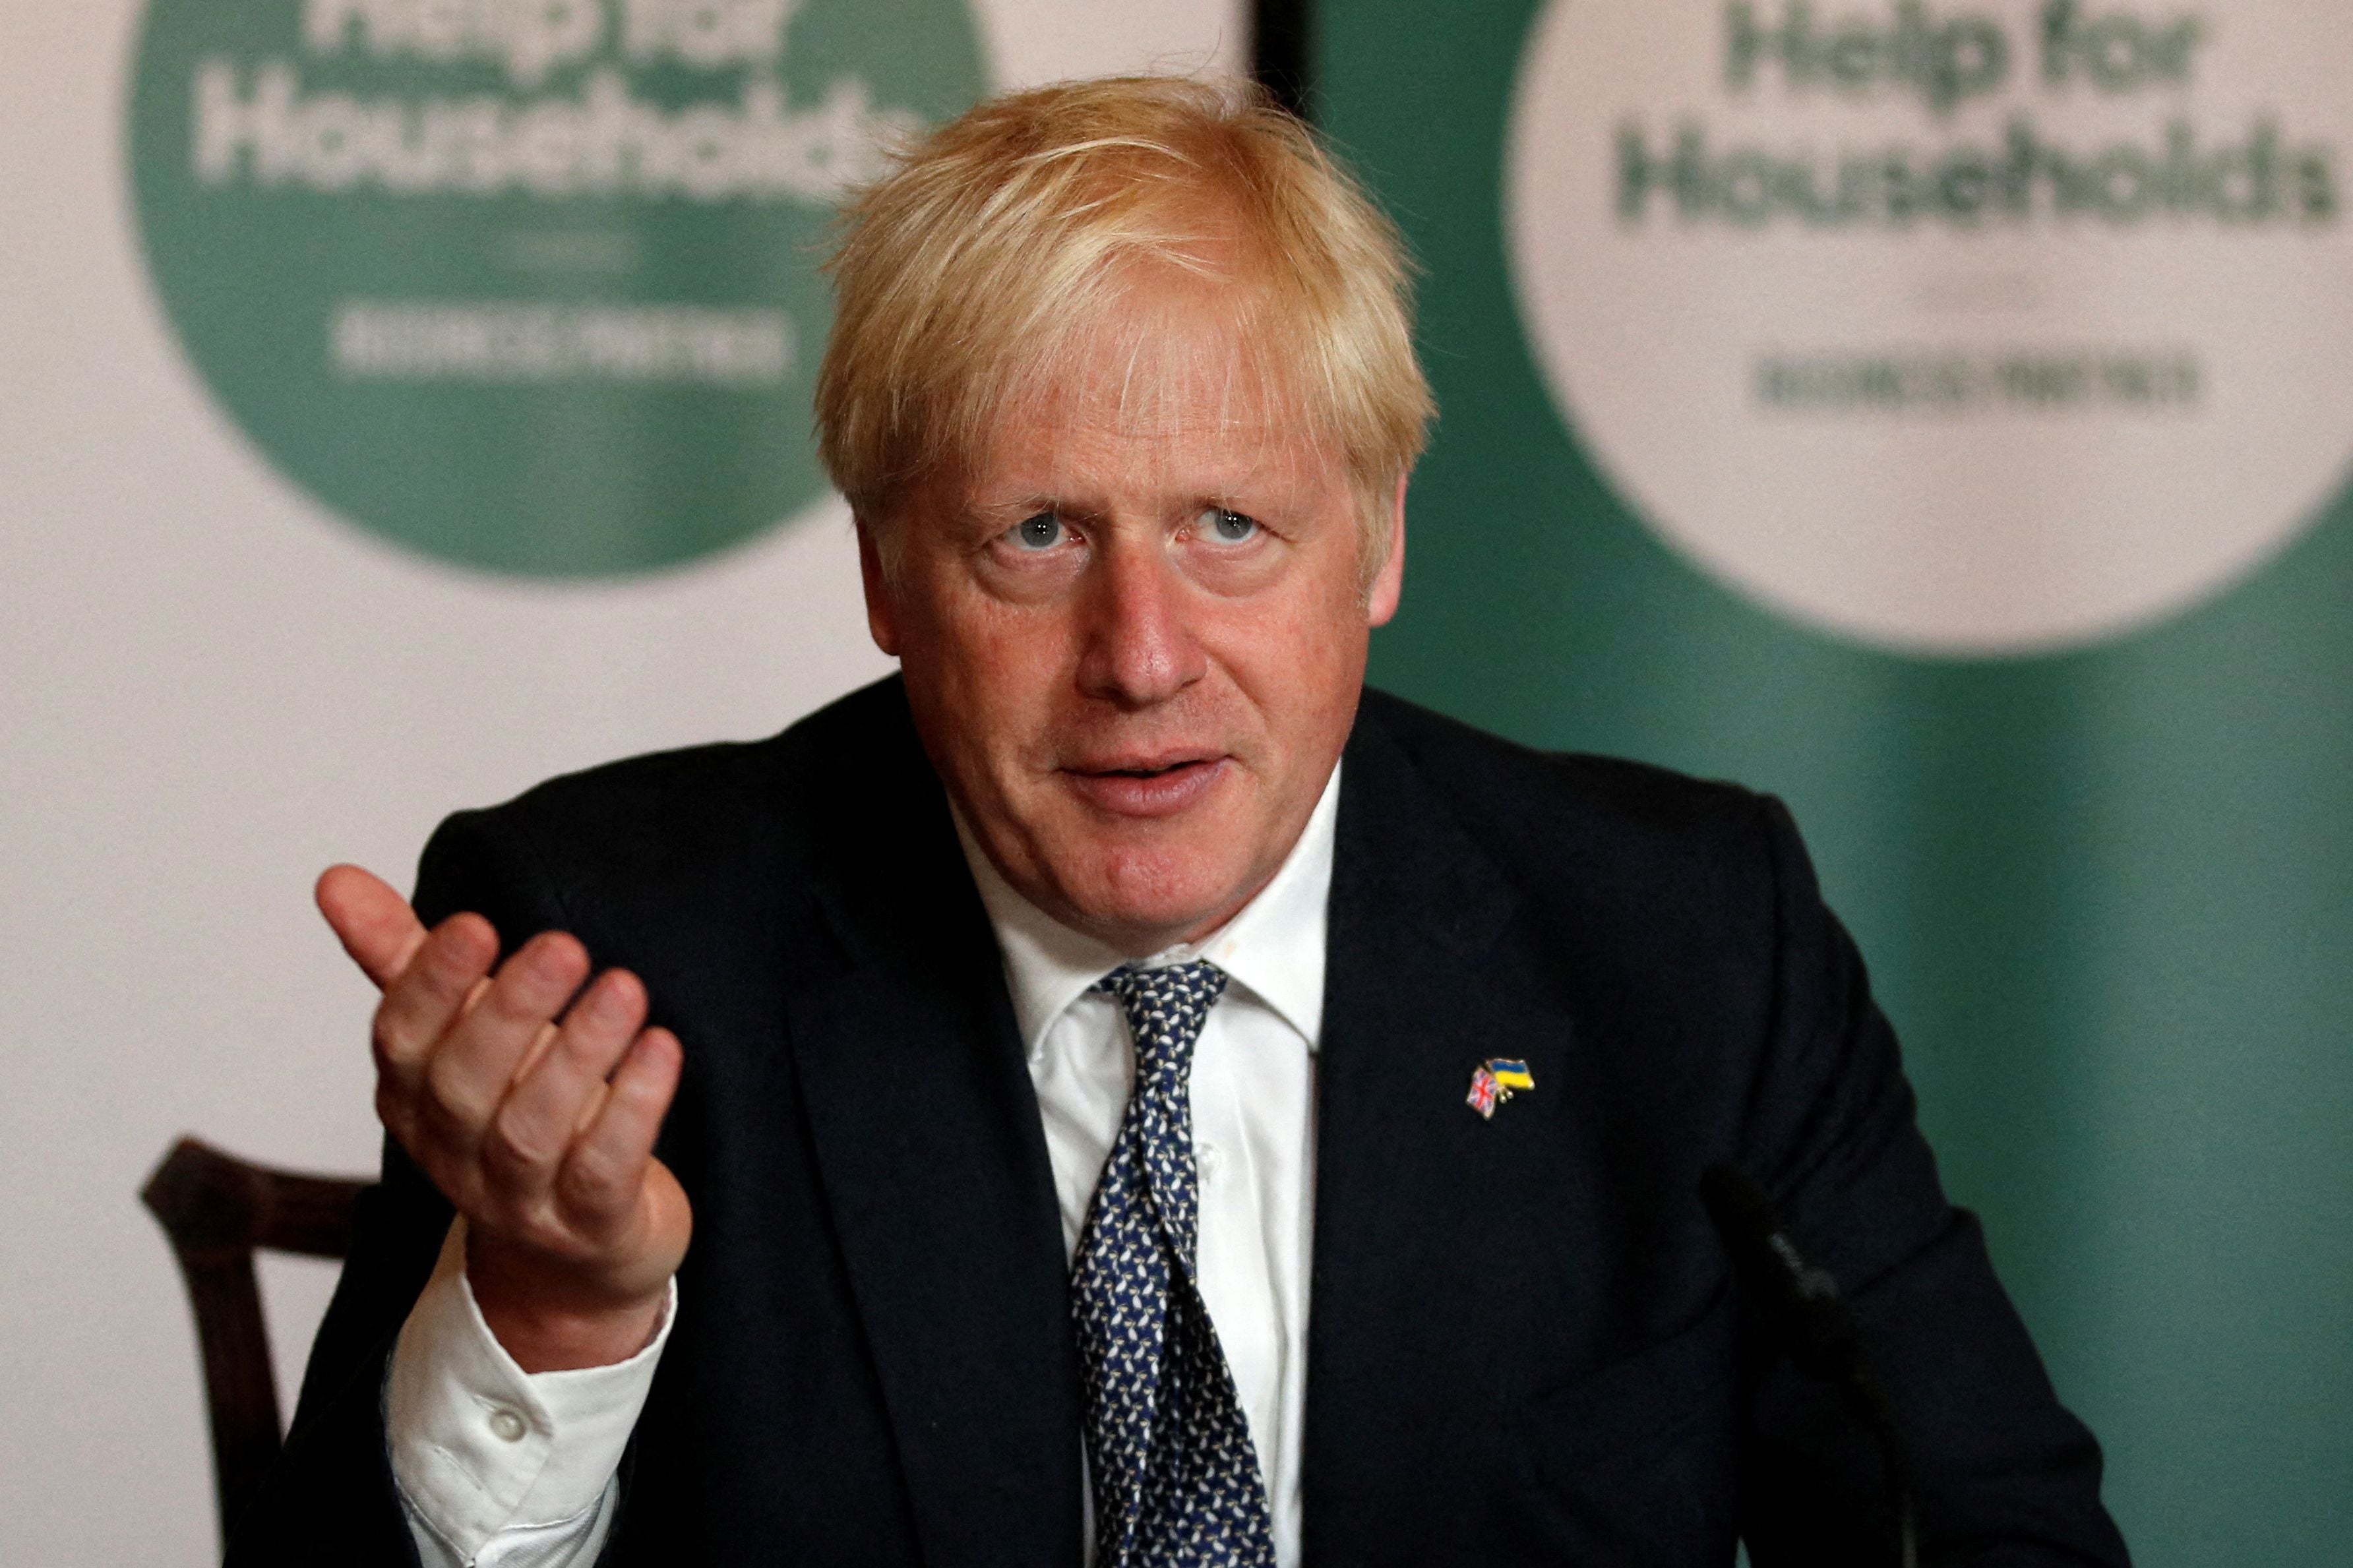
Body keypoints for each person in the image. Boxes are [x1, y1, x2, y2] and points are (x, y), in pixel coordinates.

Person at [236, 76, 2129, 1567]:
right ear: (889, 571)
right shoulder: (623, 954)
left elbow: (1990, 1526)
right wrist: (559, 1313)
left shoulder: (1685, 945)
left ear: (1378, 542)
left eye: (1233, 525)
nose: (1141, 656)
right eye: (1037, 534)